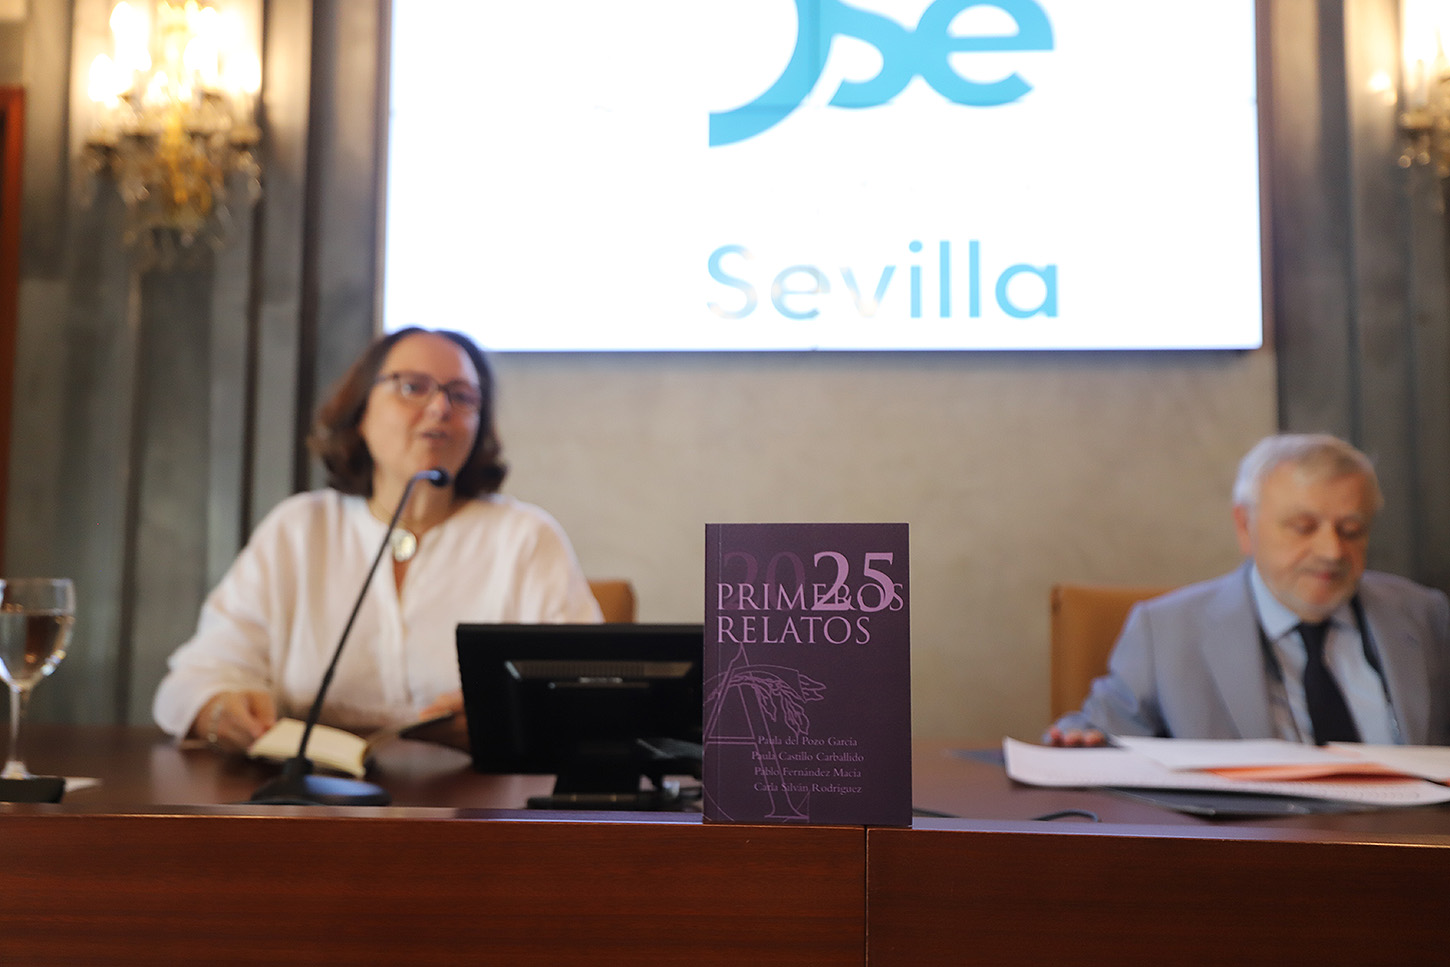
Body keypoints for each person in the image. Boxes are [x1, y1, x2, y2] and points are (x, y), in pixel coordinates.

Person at [152, 327, 602, 753]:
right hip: (311, 796)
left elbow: (592, 694)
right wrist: (218, 710)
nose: (440, 408)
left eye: (462, 396)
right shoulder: (300, 528)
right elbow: (191, 680)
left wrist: (508, 717)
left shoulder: (525, 537)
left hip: (477, 799)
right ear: (361, 413)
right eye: (413, 387)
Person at [1048, 433, 1450, 747]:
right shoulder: (1166, 632)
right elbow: (1100, 731)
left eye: (1351, 530)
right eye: (1304, 527)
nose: (1332, 552)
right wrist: (1081, 741)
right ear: (1245, 526)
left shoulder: (1427, 616)